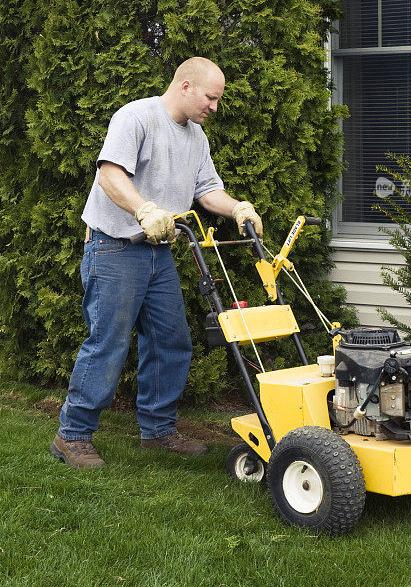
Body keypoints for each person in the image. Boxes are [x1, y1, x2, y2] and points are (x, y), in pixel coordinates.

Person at [50, 57, 262, 469]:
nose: (214, 108)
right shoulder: (136, 117)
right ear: (185, 86)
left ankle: (158, 431)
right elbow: (109, 174)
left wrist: (237, 207)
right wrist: (144, 209)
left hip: (158, 253)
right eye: (210, 98)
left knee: (171, 341)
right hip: (114, 247)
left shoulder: (196, 137)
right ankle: (72, 435)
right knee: (107, 343)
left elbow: (207, 190)